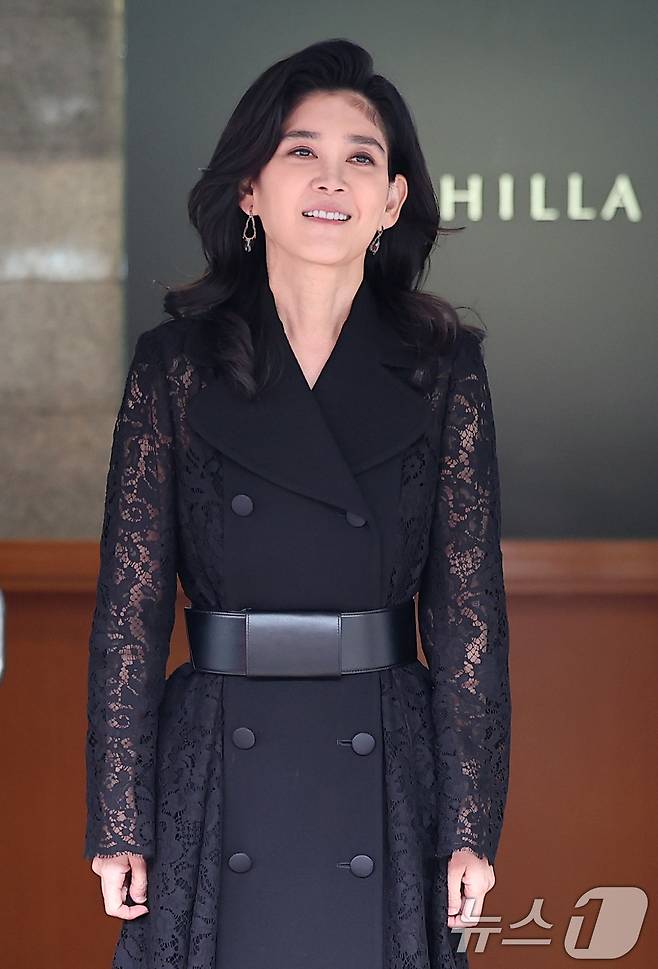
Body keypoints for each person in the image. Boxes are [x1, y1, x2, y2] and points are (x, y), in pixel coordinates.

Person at [85, 37, 511, 969]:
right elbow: (130, 608)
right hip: (218, 758)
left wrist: (471, 824)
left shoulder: (444, 367)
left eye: (360, 157)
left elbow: (468, 611)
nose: (331, 177)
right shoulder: (176, 364)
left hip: (384, 753)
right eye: (300, 150)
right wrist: (118, 817)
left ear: (391, 200)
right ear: (250, 188)